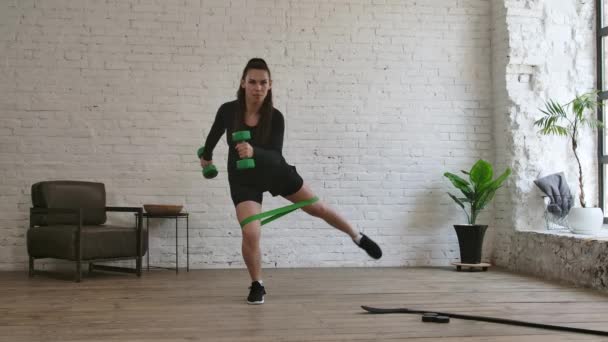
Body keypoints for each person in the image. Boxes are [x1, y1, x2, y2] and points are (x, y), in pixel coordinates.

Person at [200, 58, 382, 305]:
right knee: (251, 231)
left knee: (317, 207)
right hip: (244, 180)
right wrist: (207, 158)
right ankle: (257, 284)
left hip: (276, 172)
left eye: (263, 82)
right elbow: (212, 138)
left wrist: (255, 152)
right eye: (252, 82)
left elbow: (276, 156)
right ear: (243, 83)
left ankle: (356, 236)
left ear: (270, 85)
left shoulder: (275, 117)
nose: (258, 87)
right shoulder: (227, 111)